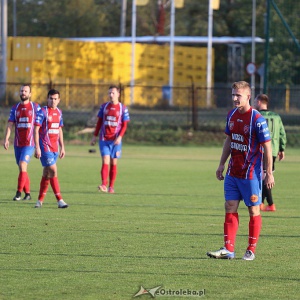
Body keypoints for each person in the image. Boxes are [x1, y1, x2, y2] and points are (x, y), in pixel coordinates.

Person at [206, 81, 274, 261]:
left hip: (251, 174)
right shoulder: (231, 115)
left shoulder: (257, 119)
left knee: (253, 210)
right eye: (233, 95)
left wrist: (269, 172)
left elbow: (267, 147)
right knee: (229, 206)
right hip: (232, 172)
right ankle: (228, 249)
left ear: (248, 97)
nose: (235, 98)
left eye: (239, 95)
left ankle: (251, 249)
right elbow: (229, 140)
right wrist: (221, 164)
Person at [3, 84, 41, 201]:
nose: (23, 93)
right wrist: (6, 139)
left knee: (22, 164)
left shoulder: (35, 107)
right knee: (22, 169)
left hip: (30, 143)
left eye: (25, 91)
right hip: (17, 143)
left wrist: (39, 144)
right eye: (21, 91)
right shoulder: (15, 108)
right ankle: (28, 194)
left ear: (30, 94)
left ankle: (18, 193)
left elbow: (40, 125)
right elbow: (10, 124)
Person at [91, 85, 130, 193]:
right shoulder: (104, 107)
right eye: (109, 93)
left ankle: (111, 187)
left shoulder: (123, 108)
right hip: (104, 139)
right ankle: (104, 184)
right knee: (105, 160)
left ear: (118, 94)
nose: (111, 95)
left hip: (116, 140)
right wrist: (94, 136)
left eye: (113, 93)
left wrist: (120, 137)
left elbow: (125, 125)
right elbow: (99, 123)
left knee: (113, 162)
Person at [34, 89, 68, 208]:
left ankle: (39, 201)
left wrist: (62, 147)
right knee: (53, 170)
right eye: (50, 98)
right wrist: (37, 147)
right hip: (44, 146)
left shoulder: (59, 112)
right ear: (47, 99)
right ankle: (60, 200)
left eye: (55, 99)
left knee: (47, 173)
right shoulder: (42, 112)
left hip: (55, 147)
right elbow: (36, 130)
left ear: (58, 100)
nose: (52, 101)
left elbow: (59, 130)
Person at [254, 94, 287, 212]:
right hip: (273, 150)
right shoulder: (276, 117)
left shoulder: (256, 115)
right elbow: (282, 133)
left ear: (259, 102)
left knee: (265, 177)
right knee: (265, 176)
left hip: (260, 150)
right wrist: (281, 149)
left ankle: (270, 204)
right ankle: (261, 203)